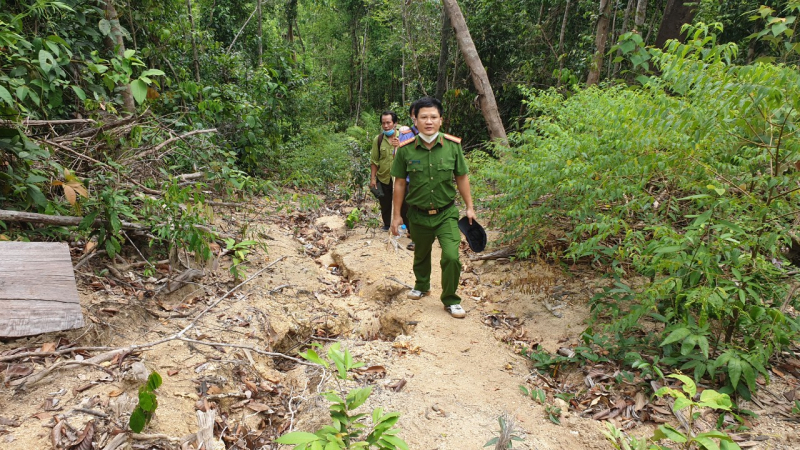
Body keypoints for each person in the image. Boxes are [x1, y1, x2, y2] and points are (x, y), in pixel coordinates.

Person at [390, 97, 476, 319]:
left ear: (441, 120)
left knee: (451, 257)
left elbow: (462, 177)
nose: (429, 121)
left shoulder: (452, 147)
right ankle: (422, 284)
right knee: (421, 252)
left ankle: (450, 299)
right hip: (417, 214)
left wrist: (469, 207)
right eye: (423, 117)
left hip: (446, 213)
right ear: (415, 120)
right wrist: (396, 215)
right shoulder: (406, 150)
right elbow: (399, 183)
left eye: (433, 117)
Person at [370, 111, 401, 230]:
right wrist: (373, 178)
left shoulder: (402, 136)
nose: (386, 126)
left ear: (395, 123)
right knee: (385, 203)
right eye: (383, 123)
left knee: (403, 204)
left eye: (388, 122)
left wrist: (399, 146)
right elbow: (374, 161)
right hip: (383, 177)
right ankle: (387, 224)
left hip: (399, 179)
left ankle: (403, 225)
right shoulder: (378, 139)